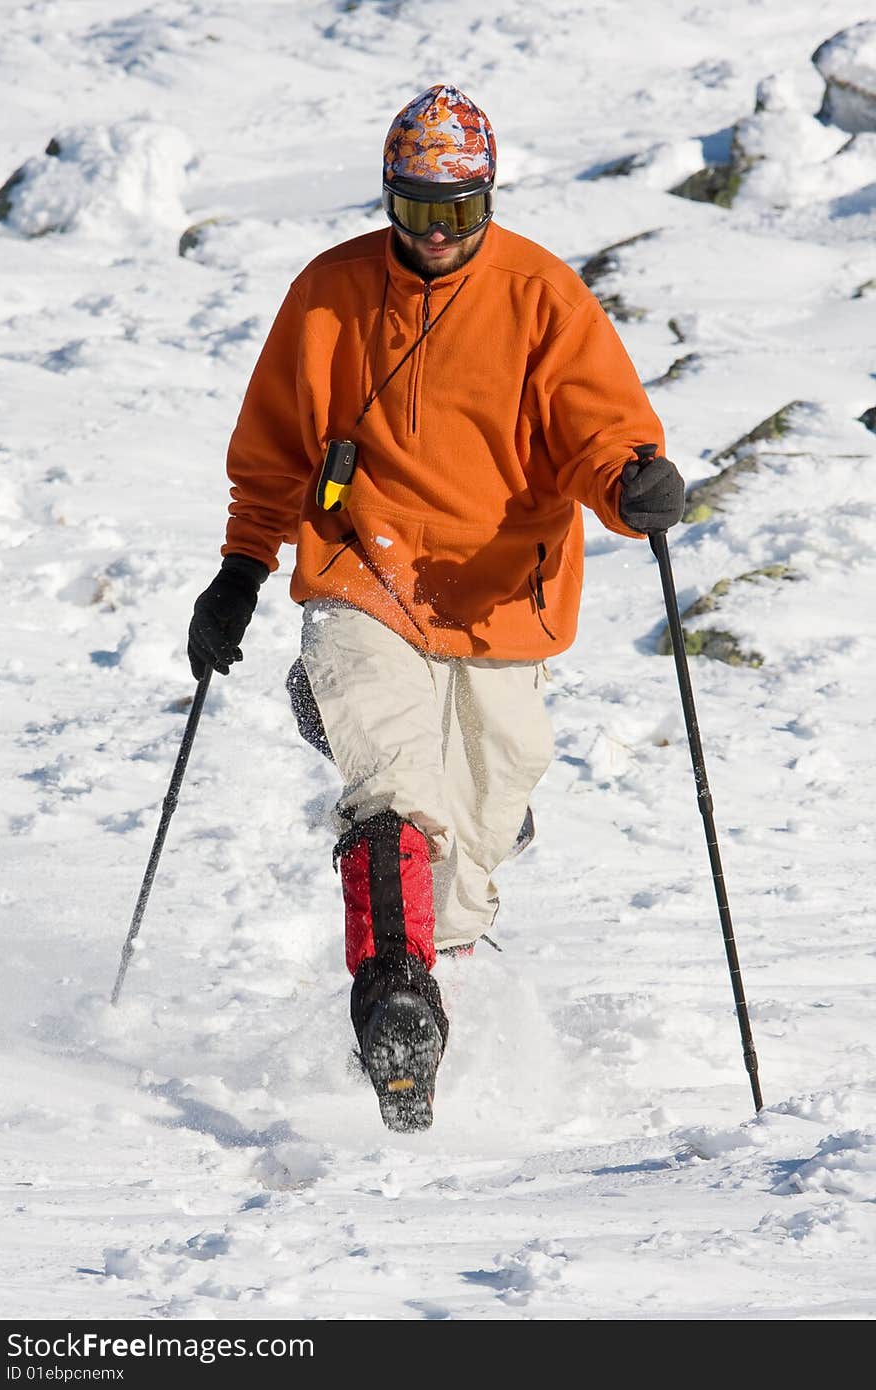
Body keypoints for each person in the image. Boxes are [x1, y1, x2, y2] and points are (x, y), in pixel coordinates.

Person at [187, 85, 684, 1134]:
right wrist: (241, 570)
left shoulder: (542, 296)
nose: (436, 235)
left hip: (504, 598)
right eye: (415, 210)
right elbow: (274, 454)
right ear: (388, 199)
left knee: (472, 852)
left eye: (460, 213)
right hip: (361, 573)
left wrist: (632, 484)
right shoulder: (328, 294)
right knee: (392, 794)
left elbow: (600, 430)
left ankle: (438, 927)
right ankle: (394, 998)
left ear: (489, 202)